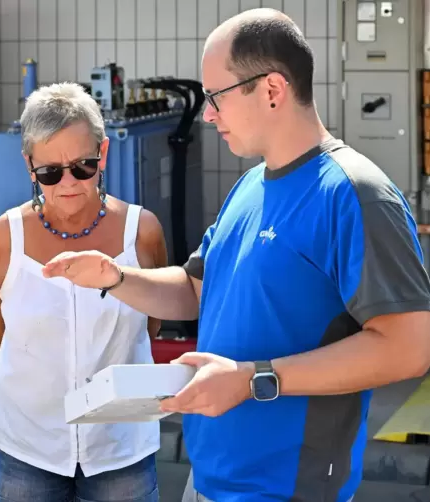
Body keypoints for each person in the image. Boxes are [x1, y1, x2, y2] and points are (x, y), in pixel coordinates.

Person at [42, 9, 430, 502]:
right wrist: (116, 276)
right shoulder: (250, 185)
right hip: (209, 480)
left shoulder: (355, 194)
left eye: (216, 97)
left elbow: (409, 348)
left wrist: (254, 380)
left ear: (271, 89)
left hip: (287, 489)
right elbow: (195, 290)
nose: (206, 114)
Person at [0, 82, 168, 502]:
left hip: (120, 444)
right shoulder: (6, 237)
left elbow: (152, 323)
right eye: (49, 172)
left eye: (82, 166)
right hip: (27, 445)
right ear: (29, 166)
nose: (67, 182)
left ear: (102, 155)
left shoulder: (144, 232)